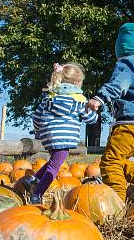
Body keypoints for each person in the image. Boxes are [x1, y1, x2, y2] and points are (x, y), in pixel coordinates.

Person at [86, 23, 134, 201]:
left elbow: (118, 84)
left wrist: (99, 98)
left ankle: (117, 202)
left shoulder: (128, 63)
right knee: (120, 160)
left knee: (110, 162)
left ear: (122, 46)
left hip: (130, 123)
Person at [30, 63, 99, 204]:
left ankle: (34, 179)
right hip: (64, 138)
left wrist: (38, 131)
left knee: (53, 161)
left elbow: (36, 117)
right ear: (76, 82)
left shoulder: (49, 98)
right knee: (54, 168)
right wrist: (95, 113)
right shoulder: (79, 100)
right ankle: (36, 195)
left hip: (48, 136)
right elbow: (91, 119)